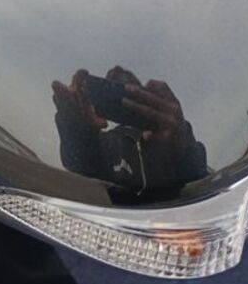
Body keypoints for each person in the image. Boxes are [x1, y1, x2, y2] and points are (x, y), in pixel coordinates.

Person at [53, 66, 207, 203]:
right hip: (111, 224)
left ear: (145, 97)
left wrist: (182, 136)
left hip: (178, 221)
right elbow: (79, 167)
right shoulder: (102, 143)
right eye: (112, 91)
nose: (122, 102)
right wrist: (76, 128)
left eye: (128, 93)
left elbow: (200, 181)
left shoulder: (169, 141)